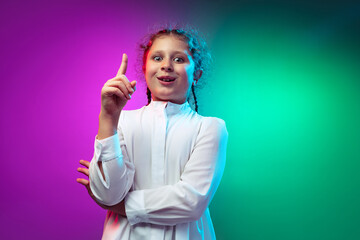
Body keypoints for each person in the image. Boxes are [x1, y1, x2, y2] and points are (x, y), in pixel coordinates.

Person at [77, 27, 228, 240]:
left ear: (197, 74)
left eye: (179, 59)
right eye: (157, 58)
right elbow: (108, 192)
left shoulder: (210, 128)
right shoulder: (122, 122)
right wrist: (108, 117)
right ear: (145, 68)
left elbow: (191, 202)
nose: (166, 65)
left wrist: (122, 206)